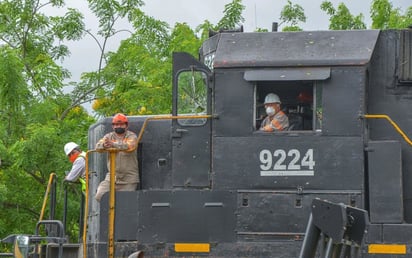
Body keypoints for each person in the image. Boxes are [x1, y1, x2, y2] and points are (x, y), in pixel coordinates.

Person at [95, 113, 139, 202]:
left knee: (126, 202)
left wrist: (113, 144)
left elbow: (130, 146)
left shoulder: (131, 136)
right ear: (113, 126)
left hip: (128, 179)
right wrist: (104, 145)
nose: (118, 126)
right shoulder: (108, 136)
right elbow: (98, 147)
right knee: (100, 195)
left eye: (121, 124)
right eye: (116, 124)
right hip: (112, 177)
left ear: (126, 126)